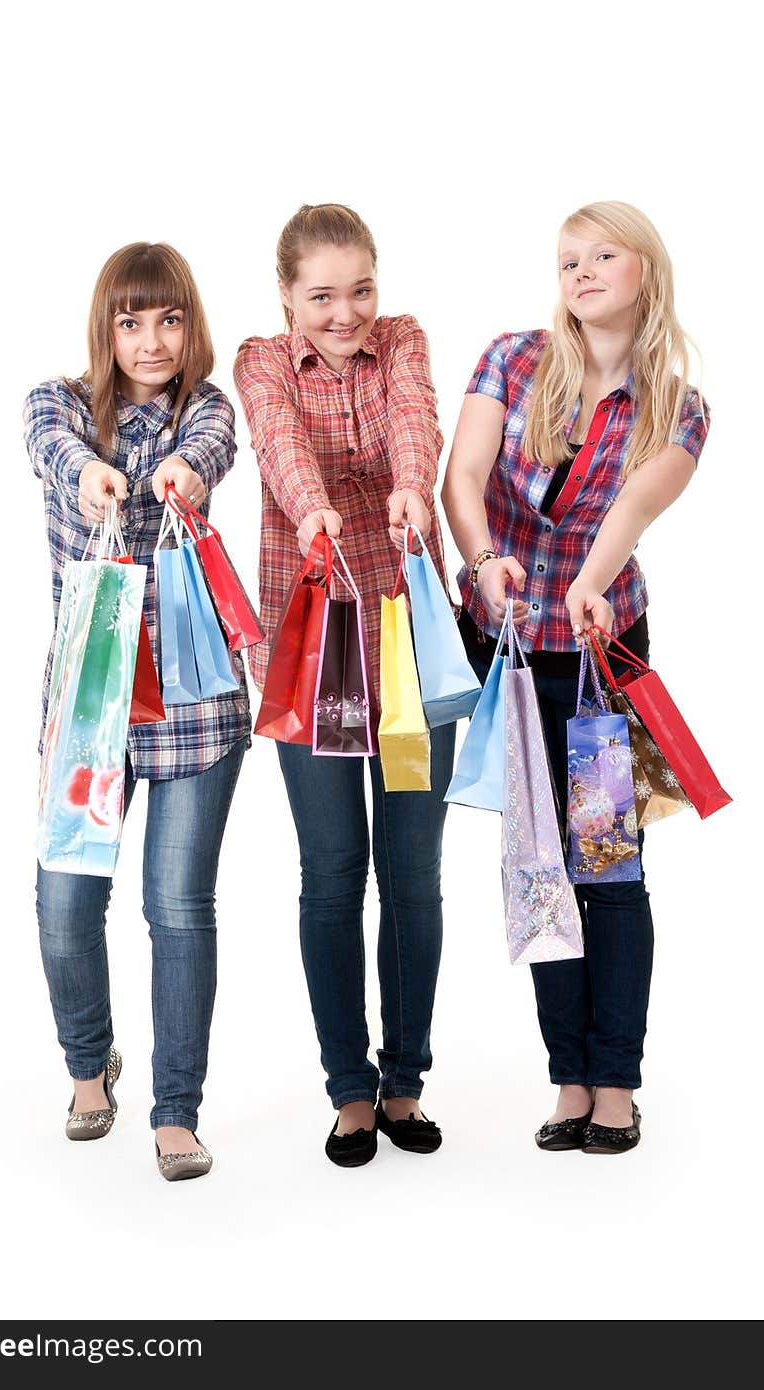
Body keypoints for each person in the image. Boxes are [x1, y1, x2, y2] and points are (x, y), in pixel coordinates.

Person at [441, 201, 709, 1154]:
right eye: (567, 259)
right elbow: (461, 478)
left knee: (609, 867)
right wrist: (481, 564)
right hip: (506, 646)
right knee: (539, 868)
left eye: (603, 254)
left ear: (648, 271)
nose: (581, 270)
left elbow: (631, 511)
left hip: (602, 651)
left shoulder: (678, 405)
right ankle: (567, 1076)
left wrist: (587, 589)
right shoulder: (512, 360)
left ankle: (617, 1080)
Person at [24, 242, 250, 1181]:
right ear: (105, 328)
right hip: (92, 705)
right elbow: (52, 446)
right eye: (131, 321)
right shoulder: (58, 403)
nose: (152, 340)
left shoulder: (207, 410)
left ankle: (175, 1108)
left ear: (190, 326)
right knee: (65, 903)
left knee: (177, 908)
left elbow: (212, 449)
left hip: (196, 705)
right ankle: (90, 1066)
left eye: (169, 319)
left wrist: (185, 479)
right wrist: (88, 476)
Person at [235, 204, 455, 1167]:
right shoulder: (261, 360)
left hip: (405, 640)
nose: (345, 312)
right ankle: (349, 1090)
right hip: (311, 644)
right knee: (332, 873)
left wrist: (415, 482)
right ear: (286, 295)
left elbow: (418, 416)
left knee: (411, 872)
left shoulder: (402, 339)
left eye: (359, 288)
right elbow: (278, 442)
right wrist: (316, 505)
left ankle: (404, 1081)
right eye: (321, 294)